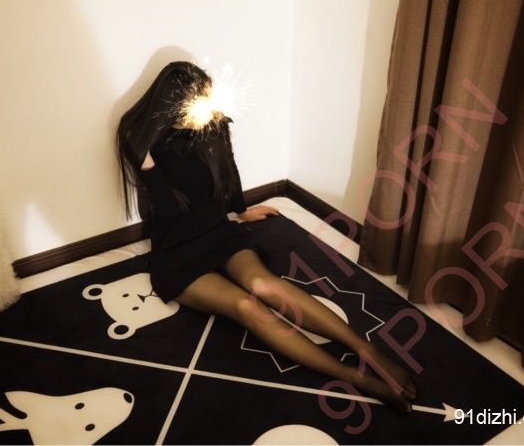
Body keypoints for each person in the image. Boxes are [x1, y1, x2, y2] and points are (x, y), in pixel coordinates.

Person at [115, 61, 417, 413]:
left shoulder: (213, 121)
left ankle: (367, 350)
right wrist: (147, 165)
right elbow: (167, 209)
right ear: (170, 105)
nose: (203, 115)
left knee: (262, 283)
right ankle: (352, 376)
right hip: (177, 252)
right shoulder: (140, 138)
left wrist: (241, 210)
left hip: (218, 233)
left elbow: (227, 171)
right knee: (246, 306)